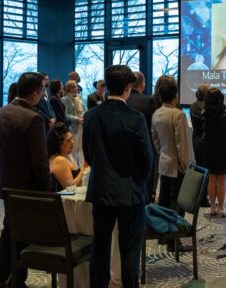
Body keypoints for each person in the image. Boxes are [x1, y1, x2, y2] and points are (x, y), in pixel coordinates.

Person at [83, 65, 153, 288]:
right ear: (127, 88)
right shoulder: (135, 118)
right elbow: (146, 159)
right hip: (130, 192)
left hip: (101, 189)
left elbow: (88, 153)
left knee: (100, 249)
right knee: (129, 252)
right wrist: (140, 184)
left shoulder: (91, 116)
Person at [0, 72, 52, 288]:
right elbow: (40, 161)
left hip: (7, 183)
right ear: (36, 93)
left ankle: (4, 276)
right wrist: (47, 187)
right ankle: (16, 280)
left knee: (9, 229)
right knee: (21, 235)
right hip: (27, 188)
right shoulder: (33, 118)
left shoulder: (1, 112)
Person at [151, 75, 195, 252]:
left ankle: (164, 236)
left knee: (164, 201)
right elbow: (182, 144)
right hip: (177, 166)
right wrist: (185, 165)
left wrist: (163, 152)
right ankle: (174, 241)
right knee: (177, 205)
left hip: (164, 161)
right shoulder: (178, 115)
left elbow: (155, 138)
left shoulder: (157, 113)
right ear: (175, 95)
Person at [126, 71, 158, 203]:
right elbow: (153, 125)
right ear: (142, 85)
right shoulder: (148, 101)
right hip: (144, 146)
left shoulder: (124, 100)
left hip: (126, 148)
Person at [202, 88, 226, 218]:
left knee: (211, 179)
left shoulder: (204, 115)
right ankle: (220, 208)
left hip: (209, 149)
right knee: (222, 181)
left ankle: (212, 208)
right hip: (222, 149)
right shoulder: (225, 116)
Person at [47, 122, 87, 190]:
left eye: (71, 138)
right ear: (58, 145)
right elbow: (70, 188)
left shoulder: (68, 155)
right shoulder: (59, 160)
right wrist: (85, 167)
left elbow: (80, 183)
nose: (72, 142)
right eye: (68, 140)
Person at [189, 83, 210, 207]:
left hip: (196, 141)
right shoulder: (206, 108)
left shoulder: (192, 106)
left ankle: (199, 197)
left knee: (199, 170)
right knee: (205, 171)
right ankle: (203, 199)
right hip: (204, 142)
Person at [61, 80, 86, 160]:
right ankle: (74, 168)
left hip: (82, 124)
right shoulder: (64, 99)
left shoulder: (80, 96)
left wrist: (84, 117)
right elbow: (66, 114)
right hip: (73, 126)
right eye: (75, 86)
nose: (77, 87)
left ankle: (82, 168)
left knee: (82, 148)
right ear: (70, 88)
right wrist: (77, 119)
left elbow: (85, 109)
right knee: (73, 149)